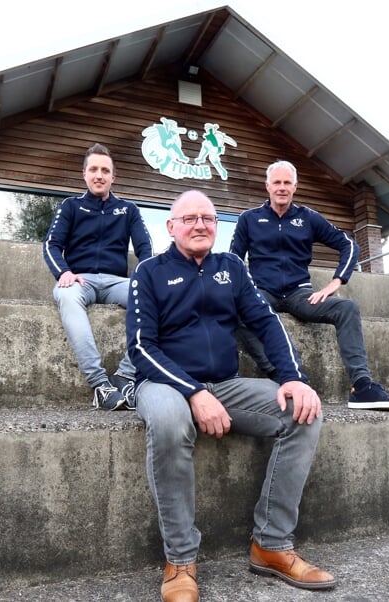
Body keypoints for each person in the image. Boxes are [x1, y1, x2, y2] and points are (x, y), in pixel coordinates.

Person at [127, 190, 335, 602]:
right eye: (189, 218)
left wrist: (293, 378)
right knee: (170, 422)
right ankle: (181, 559)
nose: (200, 224)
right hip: (163, 383)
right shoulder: (148, 272)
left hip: (224, 383)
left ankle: (271, 545)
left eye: (207, 217)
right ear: (171, 227)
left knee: (302, 410)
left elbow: (266, 322)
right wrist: (192, 393)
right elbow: (141, 347)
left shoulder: (232, 270)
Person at [230, 160, 389, 411]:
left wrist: (336, 281)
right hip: (263, 292)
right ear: (267, 186)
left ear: (295, 186)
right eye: (277, 182)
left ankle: (362, 386)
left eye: (287, 183)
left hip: (299, 294)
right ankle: (281, 375)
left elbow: (348, 244)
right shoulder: (249, 219)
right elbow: (234, 259)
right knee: (237, 309)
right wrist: (242, 291)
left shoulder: (308, 217)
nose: (282, 187)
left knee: (346, 308)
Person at [42, 143, 153, 410]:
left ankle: (125, 374)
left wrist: (145, 278)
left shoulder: (128, 209)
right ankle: (100, 385)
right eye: (94, 169)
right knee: (67, 296)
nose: (99, 175)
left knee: (159, 298)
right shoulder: (71, 206)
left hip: (117, 282)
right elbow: (51, 244)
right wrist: (64, 272)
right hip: (79, 280)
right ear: (85, 174)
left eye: (105, 170)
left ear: (113, 177)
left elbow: (146, 249)